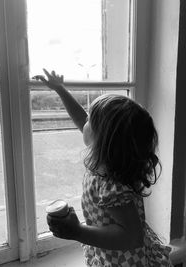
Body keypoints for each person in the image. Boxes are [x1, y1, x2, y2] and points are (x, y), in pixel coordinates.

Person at [33, 69, 172, 266]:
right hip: (112, 255)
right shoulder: (108, 157)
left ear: (103, 139)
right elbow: (82, 122)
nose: (85, 121)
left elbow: (132, 237)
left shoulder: (112, 184)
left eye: (91, 119)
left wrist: (78, 232)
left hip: (122, 262)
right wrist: (60, 90)